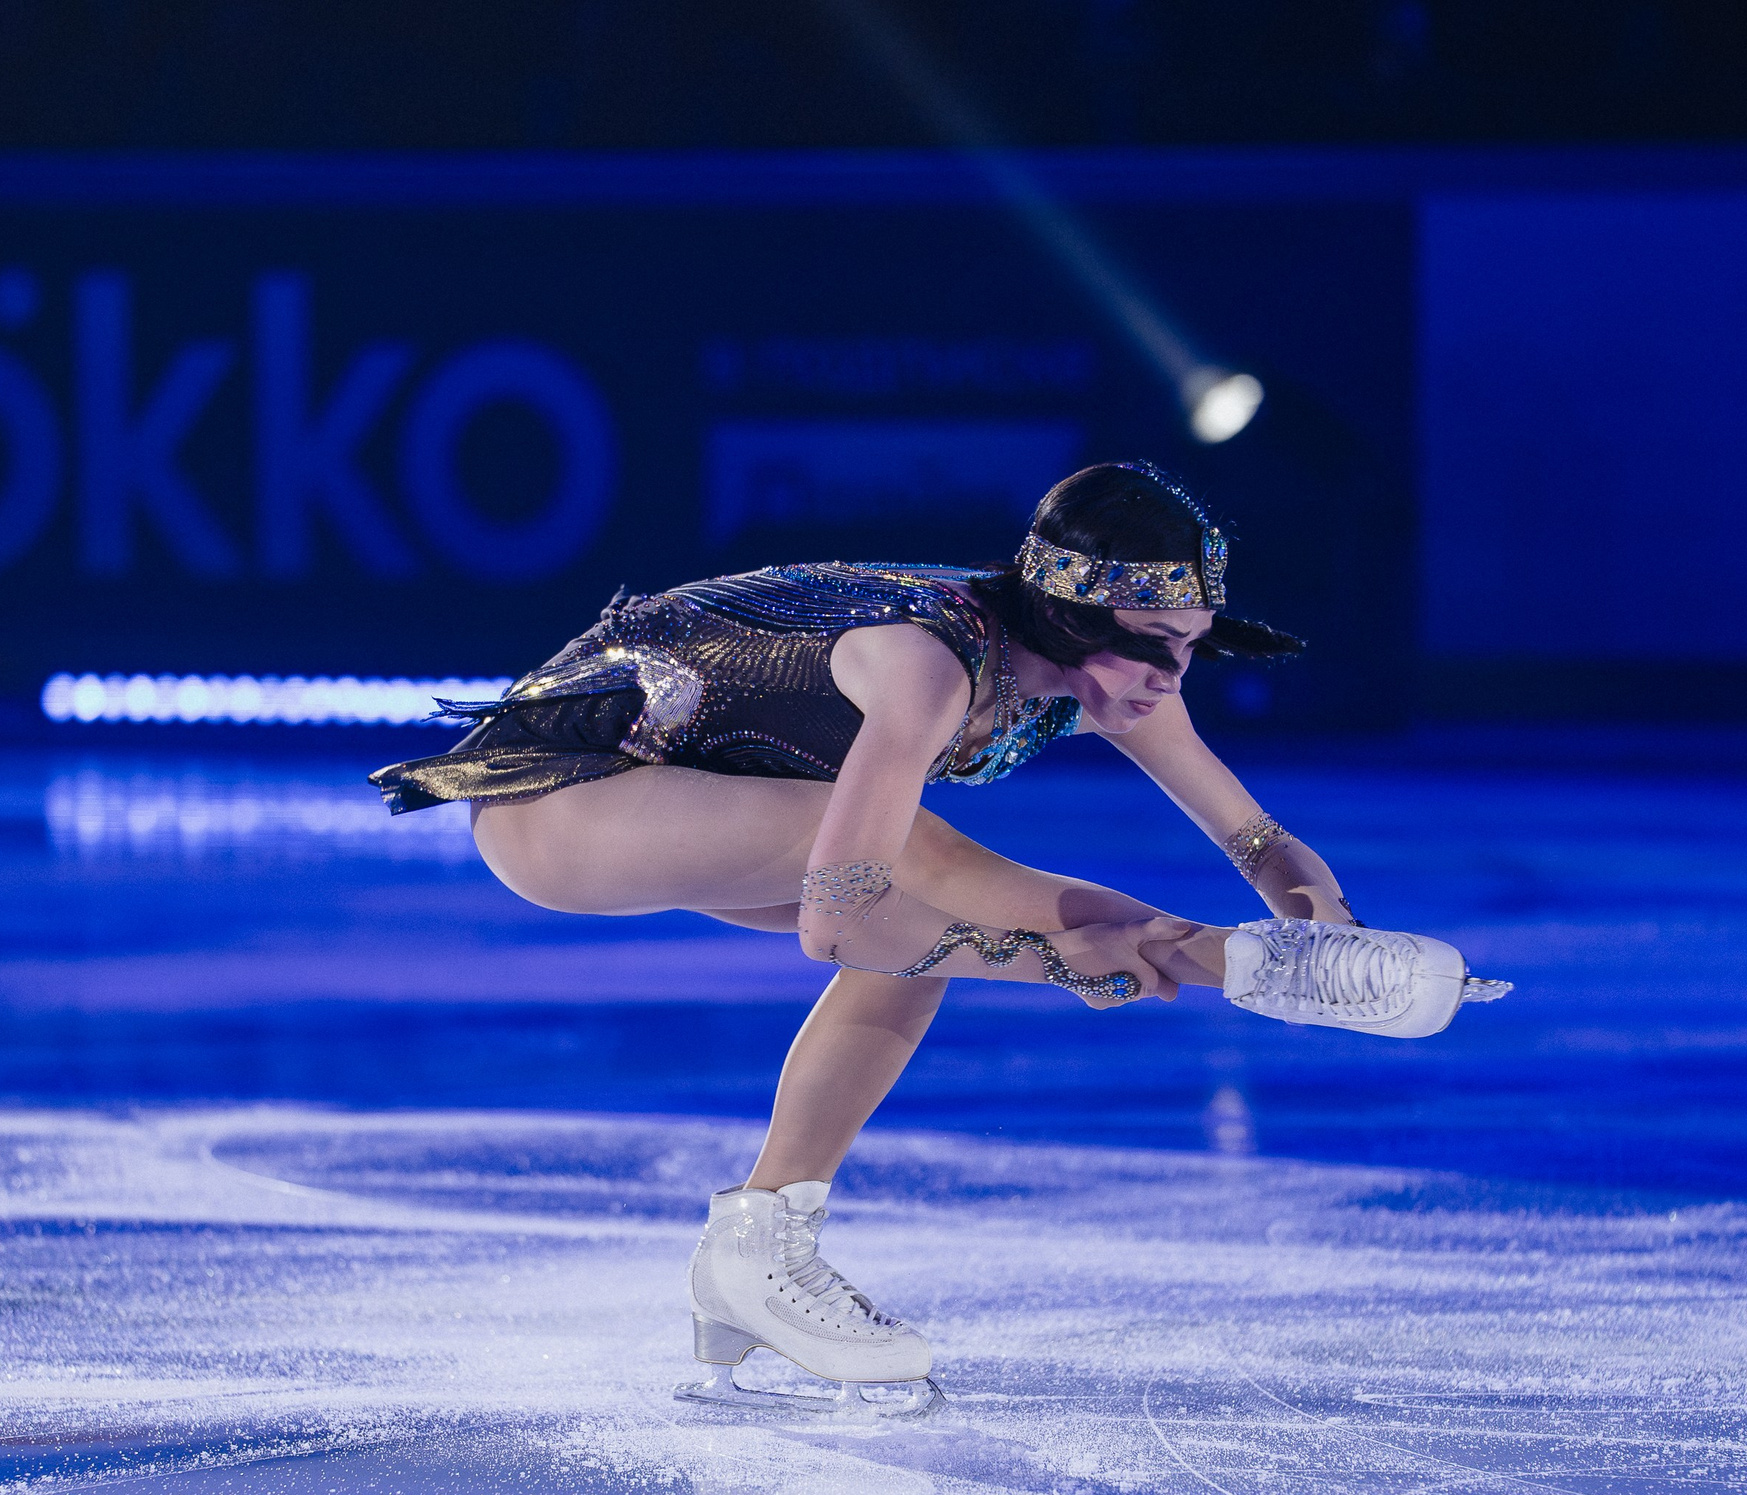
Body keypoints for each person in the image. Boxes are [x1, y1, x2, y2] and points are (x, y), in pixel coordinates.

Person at [371, 462, 1508, 1415]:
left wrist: (1291, 878)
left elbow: (1243, 823)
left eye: (1194, 644)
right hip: (566, 808)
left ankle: (759, 1239)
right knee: (912, 872)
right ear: (1071, 617)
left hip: (702, 792)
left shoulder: (1107, 665)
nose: (1173, 675)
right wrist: (1063, 960)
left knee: (917, 941)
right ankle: (1218, 960)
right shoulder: (924, 666)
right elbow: (836, 918)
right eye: (1154, 644)